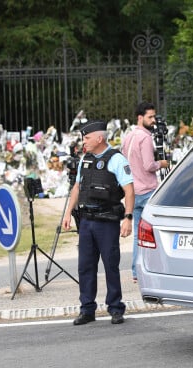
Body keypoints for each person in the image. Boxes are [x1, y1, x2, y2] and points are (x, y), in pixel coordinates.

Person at [63, 120, 135, 325]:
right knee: (85, 266)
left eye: (86, 138)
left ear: (99, 138)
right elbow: (77, 187)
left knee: (111, 265)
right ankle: (87, 309)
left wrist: (128, 218)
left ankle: (115, 308)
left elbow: (129, 191)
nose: (83, 142)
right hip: (86, 221)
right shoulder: (85, 159)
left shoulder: (117, 160)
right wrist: (68, 213)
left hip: (107, 221)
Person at [122, 102, 169, 283]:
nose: (153, 121)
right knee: (154, 233)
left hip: (133, 191)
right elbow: (149, 165)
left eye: (154, 117)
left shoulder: (128, 137)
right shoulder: (145, 138)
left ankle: (136, 271)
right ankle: (154, 269)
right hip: (148, 190)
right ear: (140, 117)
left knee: (137, 235)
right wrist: (162, 164)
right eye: (150, 117)